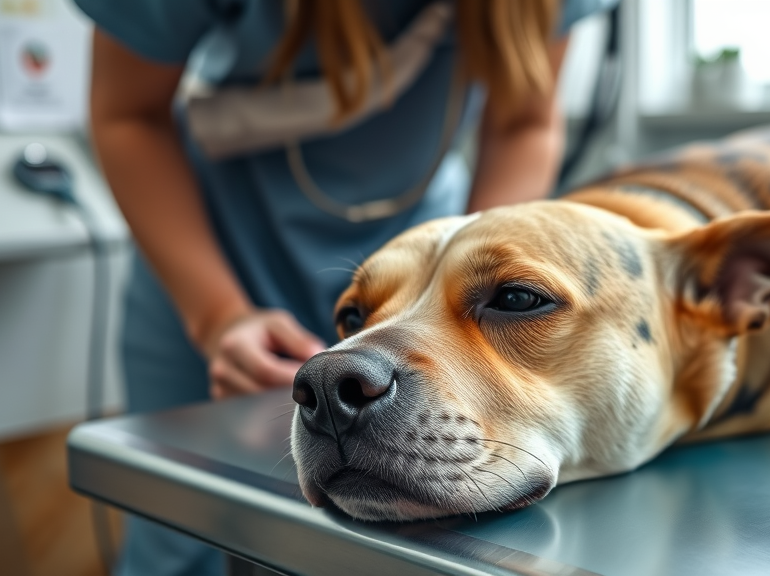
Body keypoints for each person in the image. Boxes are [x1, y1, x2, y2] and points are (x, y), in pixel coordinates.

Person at [74, 0, 618, 574]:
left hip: (421, 231)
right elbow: (128, 113)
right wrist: (217, 318)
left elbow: (523, 122)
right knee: (178, 540)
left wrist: (463, 283)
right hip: (215, 244)